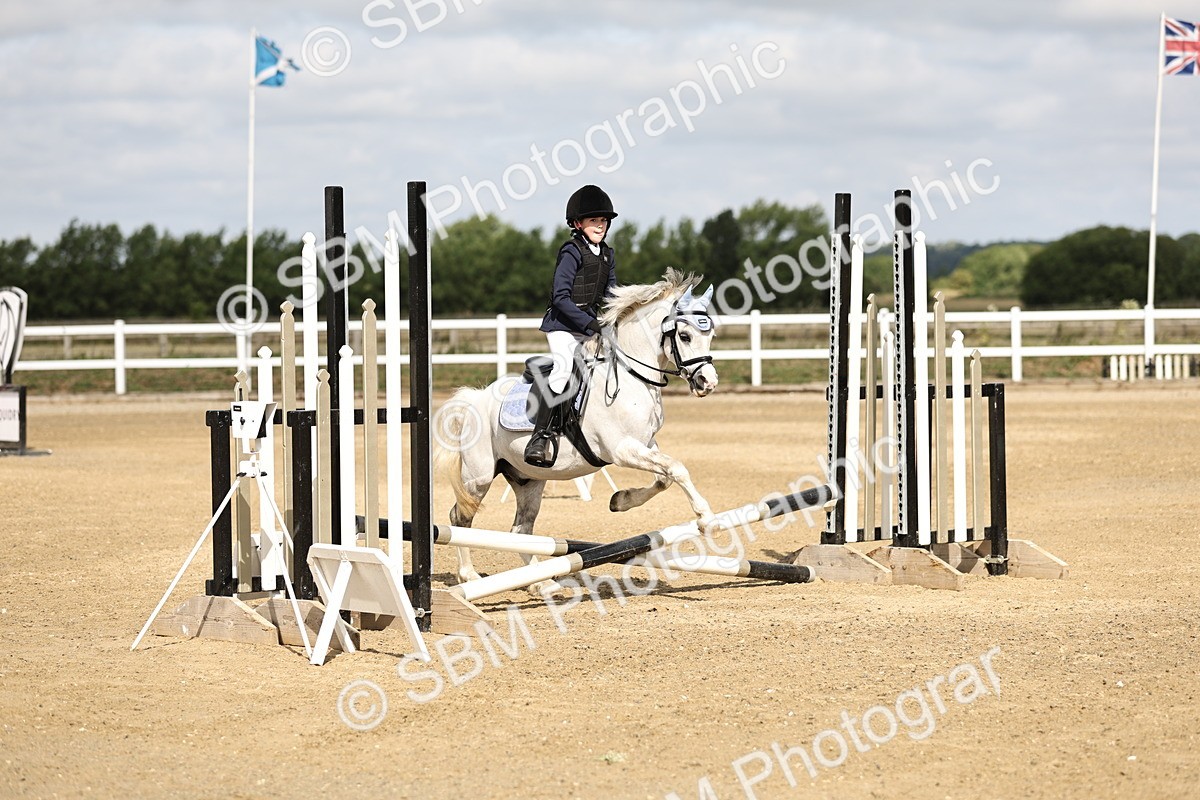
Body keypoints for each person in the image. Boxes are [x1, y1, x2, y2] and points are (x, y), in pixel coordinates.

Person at [524, 184, 619, 467]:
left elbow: (612, 296)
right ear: (578, 224)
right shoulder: (571, 251)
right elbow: (560, 297)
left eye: (603, 221)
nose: (600, 226)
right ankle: (540, 437)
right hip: (562, 326)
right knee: (565, 369)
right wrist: (591, 323)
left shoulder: (607, 255)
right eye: (594, 221)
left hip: (589, 326)